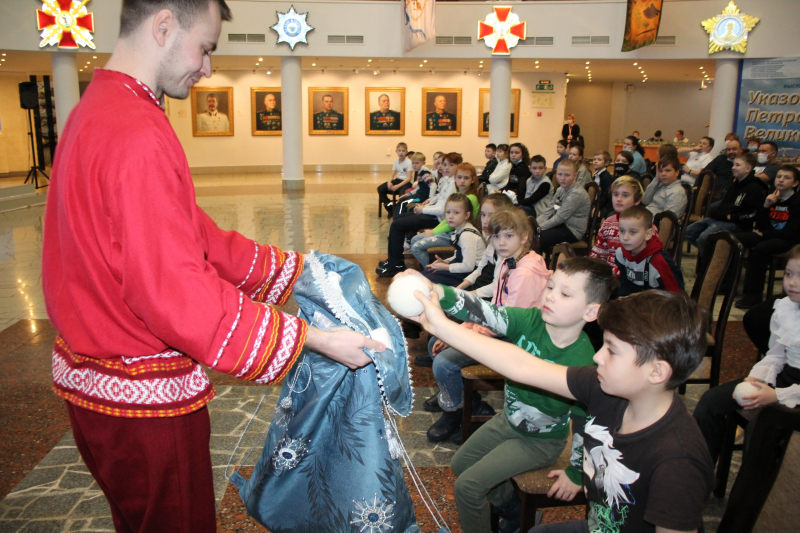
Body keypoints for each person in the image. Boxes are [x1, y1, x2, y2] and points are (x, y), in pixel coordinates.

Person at [40, 1, 380, 531]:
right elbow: (176, 292)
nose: (207, 67)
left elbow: (189, 234)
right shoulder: (137, 132)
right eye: (206, 47)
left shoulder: (98, 108)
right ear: (163, 25)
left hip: (97, 388)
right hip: (143, 401)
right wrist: (311, 337)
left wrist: (297, 269)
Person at [408, 285, 714, 533]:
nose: (597, 358)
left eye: (612, 351)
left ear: (656, 372)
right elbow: (521, 366)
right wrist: (443, 327)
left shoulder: (678, 462)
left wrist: (575, 469)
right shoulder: (603, 388)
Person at [400, 257, 617, 533]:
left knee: (467, 488)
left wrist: (577, 473)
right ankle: (514, 512)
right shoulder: (529, 320)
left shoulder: (584, 361)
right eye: (550, 287)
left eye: (564, 294)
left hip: (540, 442)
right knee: (460, 463)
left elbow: (586, 424)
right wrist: (436, 290)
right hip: (508, 421)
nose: (549, 296)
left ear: (590, 312)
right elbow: (483, 311)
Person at [425, 209, 553, 446]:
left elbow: (507, 322)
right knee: (435, 342)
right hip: (503, 326)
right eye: (495, 237)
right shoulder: (510, 260)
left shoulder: (525, 272)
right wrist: (466, 325)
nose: (501, 243)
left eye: (508, 236)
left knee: (444, 362)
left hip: (517, 338)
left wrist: (461, 333)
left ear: (524, 237)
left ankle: (454, 415)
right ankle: (469, 402)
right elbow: (496, 304)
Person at [694, 244, 800, 466]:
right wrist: (758, 377)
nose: (792, 282)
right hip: (785, 378)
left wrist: (777, 397)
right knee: (710, 402)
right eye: (789, 274)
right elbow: (777, 354)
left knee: (760, 427)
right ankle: (699, 473)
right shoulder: (786, 308)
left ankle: (751, 496)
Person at [376, 152, 462, 277]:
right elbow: (439, 196)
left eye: (451, 165)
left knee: (397, 225)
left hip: (439, 219)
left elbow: (443, 209)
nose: (446, 167)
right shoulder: (447, 179)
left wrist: (424, 209)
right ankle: (393, 260)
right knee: (398, 219)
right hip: (434, 213)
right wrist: (428, 202)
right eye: (444, 164)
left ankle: (395, 265)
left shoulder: (454, 183)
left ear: (458, 166)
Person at [735, 165, 800, 309]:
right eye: (778, 176)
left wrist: (765, 233)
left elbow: (790, 232)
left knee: (761, 249)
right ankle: (728, 285)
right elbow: (760, 225)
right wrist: (766, 205)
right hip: (771, 234)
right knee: (733, 239)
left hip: (790, 240)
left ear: (795, 183)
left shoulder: (797, 202)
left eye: (786, 177)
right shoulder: (772, 196)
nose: (781, 180)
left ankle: (754, 296)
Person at [686, 152, 767, 259]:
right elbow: (724, 205)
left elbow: (753, 213)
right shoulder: (735, 183)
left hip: (737, 224)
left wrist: (730, 216)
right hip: (722, 218)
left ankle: (711, 264)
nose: (733, 168)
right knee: (688, 232)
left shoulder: (755, 187)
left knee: (704, 238)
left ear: (748, 169)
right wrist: (721, 214)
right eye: (734, 165)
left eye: (738, 165)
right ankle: (713, 257)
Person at [409, 162, 480, 267]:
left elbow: (453, 224)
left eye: (466, 178)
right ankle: (431, 268)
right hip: (451, 232)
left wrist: (434, 232)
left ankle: (432, 271)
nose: (462, 181)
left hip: (458, 236)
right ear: (455, 178)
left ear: (473, 180)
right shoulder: (460, 195)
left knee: (416, 247)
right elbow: (447, 219)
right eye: (459, 177)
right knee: (414, 239)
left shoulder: (470, 198)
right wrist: (434, 231)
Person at [591, 176, 659, 277]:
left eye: (625, 195)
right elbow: (598, 255)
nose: (619, 199)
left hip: (633, 277)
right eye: (616, 194)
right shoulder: (608, 223)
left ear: (637, 200)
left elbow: (649, 262)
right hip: (607, 276)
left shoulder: (646, 226)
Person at [615, 206, 684, 296]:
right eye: (622, 231)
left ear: (648, 234)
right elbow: (624, 283)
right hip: (633, 301)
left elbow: (676, 294)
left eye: (633, 232)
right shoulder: (621, 254)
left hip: (658, 303)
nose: (625, 237)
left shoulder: (659, 261)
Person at [421, 193, 485, 286]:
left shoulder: (467, 235)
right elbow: (458, 255)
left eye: (456, 212)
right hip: (460, 268)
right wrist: (445, 261)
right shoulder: (459, 230)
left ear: (467, 215)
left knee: (425, 281)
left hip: (469, 275)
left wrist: (445, 267)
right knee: (423, 275)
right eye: (448, 212)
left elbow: (468, 266)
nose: (450, 216)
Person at [537, 160, 591, 249]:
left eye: (567, 175)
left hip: (572, 230)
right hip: (561, 226)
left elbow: (559, 218)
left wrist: (538, 228)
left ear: (575, 175)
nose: (562, 178)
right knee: (532, 235)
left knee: (537, 238)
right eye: (560, 174)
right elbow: (548, 211)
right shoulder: (560, 189)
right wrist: (534, 225)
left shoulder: (576, 193)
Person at [377, 142, 412, 217]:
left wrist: (398, 186)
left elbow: (408, 178)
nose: (401, 153)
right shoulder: (396, 162)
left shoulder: (408, 162)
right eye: (399, 150)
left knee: (402, 196)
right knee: (380, 189)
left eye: (403, 151)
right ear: (396, 151)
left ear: (406, 152)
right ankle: (390, 208)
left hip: (406, 182)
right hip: (398, 180)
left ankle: (399, 213)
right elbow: (391, 175)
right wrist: (389, 182)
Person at [591, 151, 614, 218]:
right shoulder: (595, 175)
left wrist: (597, 207)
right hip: (596, 202)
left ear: (606, 163)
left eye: (599, 160)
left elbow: (605, 195)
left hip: (603, 204)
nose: (595, 161)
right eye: (594, 159)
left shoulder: (606, 177)